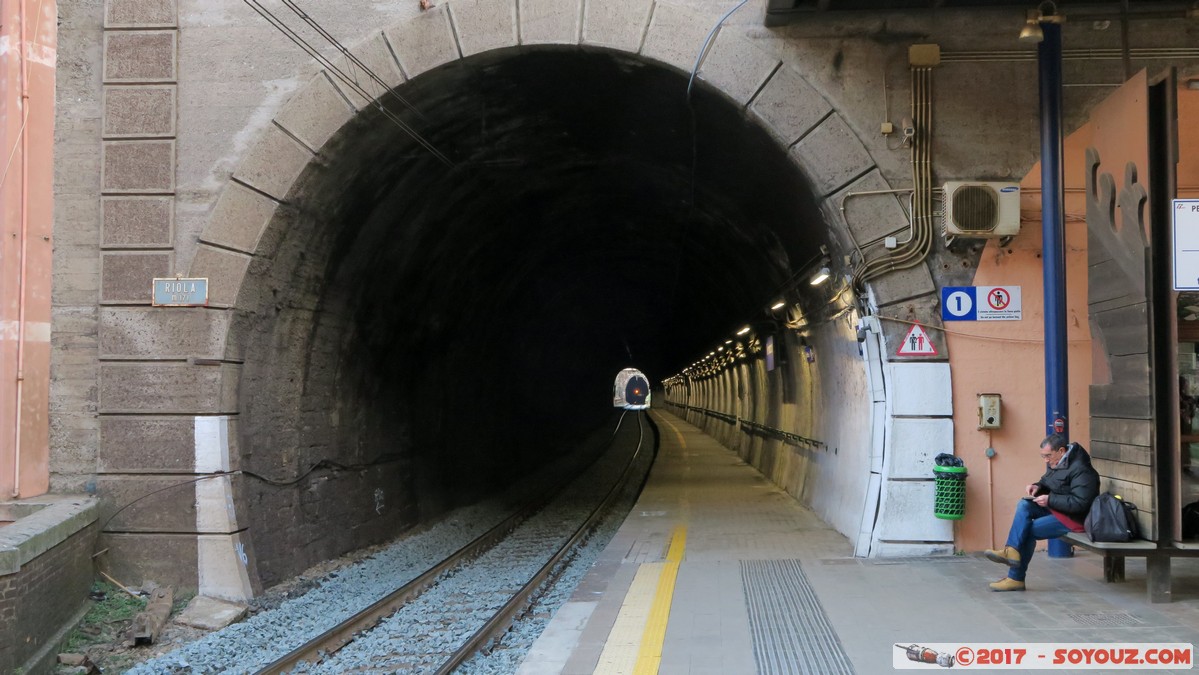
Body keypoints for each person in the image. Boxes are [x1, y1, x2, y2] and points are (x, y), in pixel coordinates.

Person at [983, 433, 1099, 591]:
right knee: (1024, 504)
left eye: (1048, 456)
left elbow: (1081, 503)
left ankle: (1015, 578)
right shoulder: (1059, 462)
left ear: (1061, 451)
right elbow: (1047, 482)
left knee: (1028, 530)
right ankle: (1011, 551)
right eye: (1043, 456)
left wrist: (1049, 500)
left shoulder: (1082, 470)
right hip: (1058, 509)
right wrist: (1037, 487)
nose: (1046, 460)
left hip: (1074, 518)